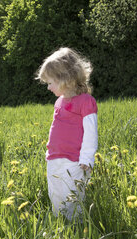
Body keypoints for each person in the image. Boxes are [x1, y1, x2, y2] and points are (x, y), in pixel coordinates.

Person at [36, 47, 98, 221]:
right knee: (55, 192)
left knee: (72, 194)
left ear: (64, 79)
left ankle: (76, 225)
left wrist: (87, 158)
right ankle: (60, 222)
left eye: (50, 83)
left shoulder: (86, 101)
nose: (48, 87)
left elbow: (91, 133)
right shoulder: (59, 102)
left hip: (76, 161)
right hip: (55, 158)